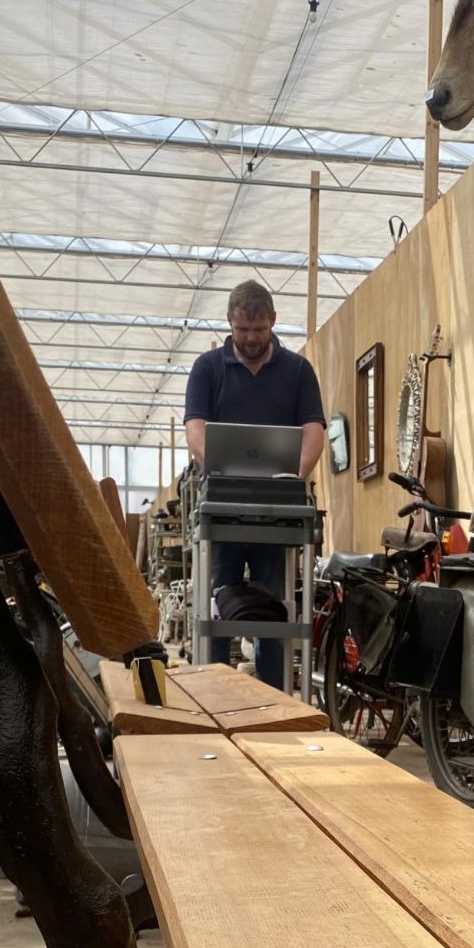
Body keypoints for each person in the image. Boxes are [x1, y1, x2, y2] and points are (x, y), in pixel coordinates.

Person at [184, 280, 326, 688]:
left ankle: (274, 701)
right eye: (242, 330)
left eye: (259, 331)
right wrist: (217, 466)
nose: (250, 339)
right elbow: (196, 431)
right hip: (220, 511)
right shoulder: (207, 368)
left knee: (274, 610)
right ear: (230, 323)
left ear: (273, 322)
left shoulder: (298, 371)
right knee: (215, 608)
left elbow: (313, 430)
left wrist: (293, 478)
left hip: (278, 515)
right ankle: (210, 695)